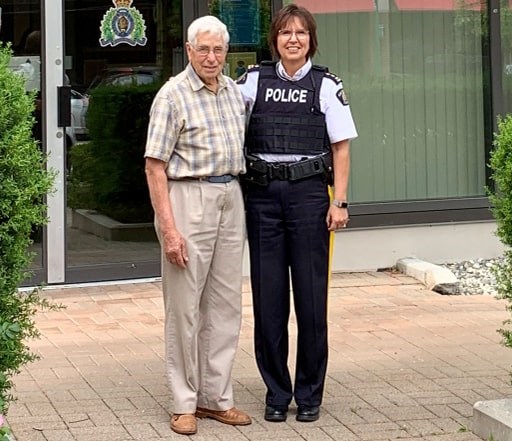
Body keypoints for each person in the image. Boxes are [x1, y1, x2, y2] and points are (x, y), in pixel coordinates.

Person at [237, 3, 358, 424]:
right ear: (274, 40)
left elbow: (341, 146)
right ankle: (276, 392)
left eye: (301, 33)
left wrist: (338, 202)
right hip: (263, 197)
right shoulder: (252, 82)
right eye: (285, 33)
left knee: (310, 301)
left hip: (309, 196)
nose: (293, 39)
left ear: (311, 40)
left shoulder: (326, 85)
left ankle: (309, 394)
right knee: (269, 301)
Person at [143, 15, 251, 436]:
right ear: (189, 50)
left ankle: (215, 398)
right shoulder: (172, 95)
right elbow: (154, 167)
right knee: (185, 307)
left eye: (218, 49)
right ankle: (183, 402)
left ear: (226, 52)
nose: (211, 57)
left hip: (230, 197)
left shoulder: (231, 91)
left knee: (225, 306)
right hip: (188, 197)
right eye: (203, 49)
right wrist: (169, 230)